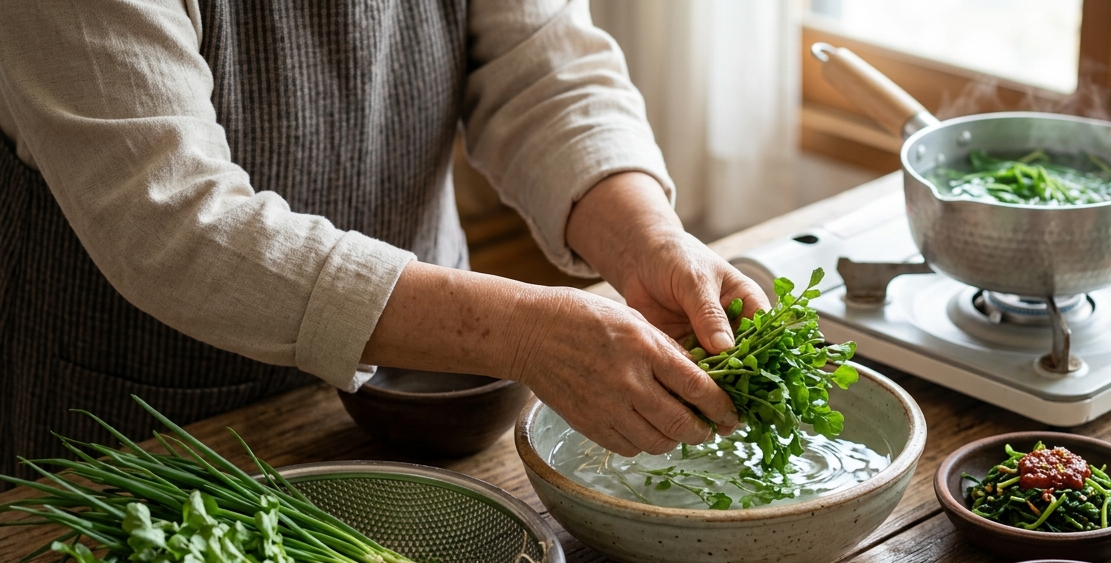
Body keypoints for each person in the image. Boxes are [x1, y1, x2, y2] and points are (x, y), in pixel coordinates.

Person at [0, 0, 768, 482]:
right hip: (144, 430)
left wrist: (646, 239)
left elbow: (542, 72)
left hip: (421, 390)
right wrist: (525, 333)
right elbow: (173, 218)